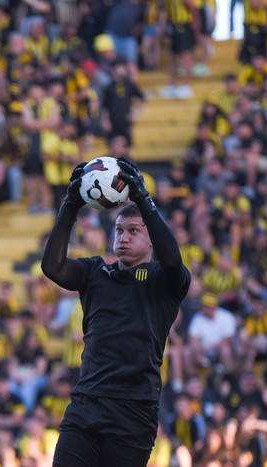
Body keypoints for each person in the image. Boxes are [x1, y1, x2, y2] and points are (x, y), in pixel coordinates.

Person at [41, 157, 191, 466]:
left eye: (134, 230)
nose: (123, 237)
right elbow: (51, 267)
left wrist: (144, 201)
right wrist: (69, 205)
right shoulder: (95, 272)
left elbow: (173, 262)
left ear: (151, 238)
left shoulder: (163, 282)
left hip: (133, 413)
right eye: (119, 230)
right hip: (86, 405)